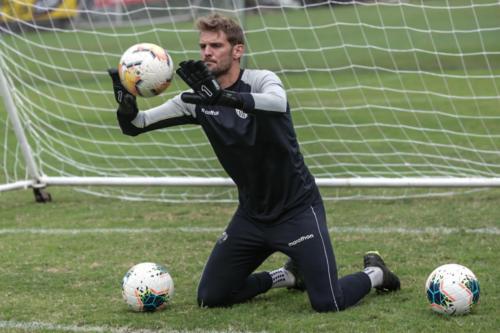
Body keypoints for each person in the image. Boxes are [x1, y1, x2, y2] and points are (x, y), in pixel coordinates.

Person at [108, 13, 400, 312]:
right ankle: (287, 275)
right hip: (251, 217)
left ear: (237, 50)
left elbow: (277, 103)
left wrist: (224, 98)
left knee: (328, 302)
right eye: (203, 46)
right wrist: (126, 108)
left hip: (297, 211)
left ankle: (375, 273)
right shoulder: (195, 100)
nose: (207, 52)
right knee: (211, 297)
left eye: (216, 45)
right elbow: (137, 125)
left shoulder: (261, 81)